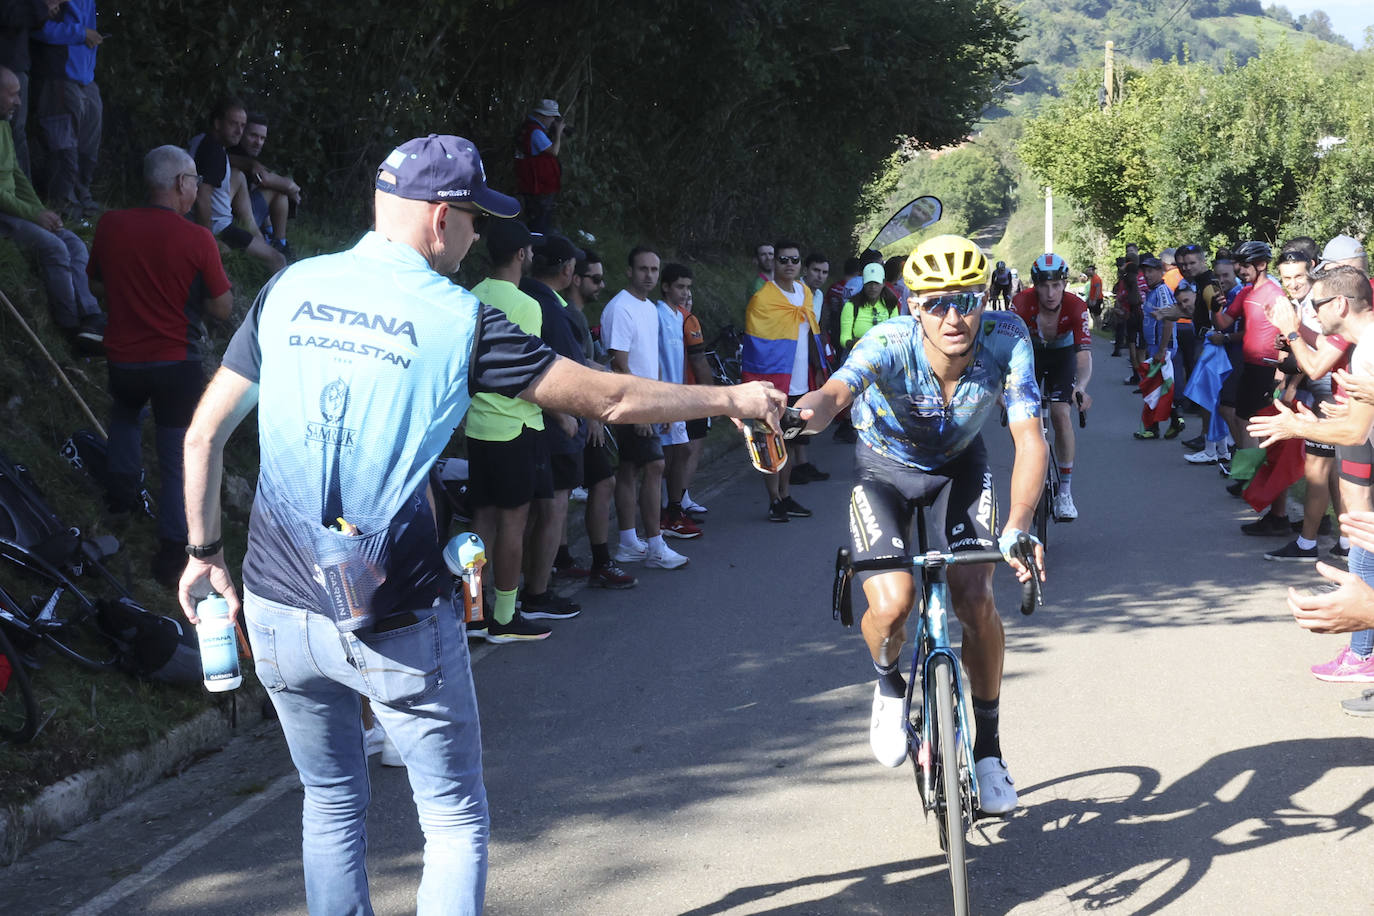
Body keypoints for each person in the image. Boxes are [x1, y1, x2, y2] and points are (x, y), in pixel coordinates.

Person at [176, 133, 786, 916]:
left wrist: (202, 555)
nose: (476, 239)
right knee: (454, 816)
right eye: (473, 220)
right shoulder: (459, 320)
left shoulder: (292, 285)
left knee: (329, 803)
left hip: (273, 601)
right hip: (389, 607)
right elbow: (611, 400)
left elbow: (203, 435)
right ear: (440, 220)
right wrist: (732, 399)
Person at [794, 234, 1047, 815]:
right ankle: (887, 684)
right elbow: (835, 393)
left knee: (976, 599)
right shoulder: (886, 341)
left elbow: (1029, 437)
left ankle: (988, 752)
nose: (953, 316)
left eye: (967, 299)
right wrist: (796, 417)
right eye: (936, 302)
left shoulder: (1008, 339)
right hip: (884, 471)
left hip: (960, 469)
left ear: (986, 297)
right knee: (891, 604)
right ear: (912, 303)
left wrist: (1019, 524)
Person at [88, 144, 231, 585]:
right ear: (177, 184)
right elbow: (223, 308)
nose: (195, 188)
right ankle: (172, 551)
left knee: (125, 419)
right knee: (176, 459)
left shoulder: (111, 225)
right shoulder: (196, 238)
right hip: (175, 364)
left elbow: (96, 282)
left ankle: (121, 497)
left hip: (124, 359)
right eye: (193, 180)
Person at [1248, 265, 1374, 699]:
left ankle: (1361, 655)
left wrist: (1297, 429)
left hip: (1359, 451)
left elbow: (1355, 433)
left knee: (1360, 534)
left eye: (1318, 304)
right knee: (1360, 534)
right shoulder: (1364, 344)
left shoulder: (1367, 348)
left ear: (1340, 304)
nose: (1313, 313)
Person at [466, 217, 563, 642]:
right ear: (522, 255)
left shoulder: (469, 297)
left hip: (478, 425)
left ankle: (472, 615)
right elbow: (532, 375)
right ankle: (504, 618)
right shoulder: (528, 305)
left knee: (480, 522)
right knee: (512, 524)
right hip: (516, 426)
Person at [0, 65, 101, 350]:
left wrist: (42, 211)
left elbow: (17, 175)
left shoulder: (3, 124)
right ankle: (70, 327)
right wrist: (33, 215)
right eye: (13, 95)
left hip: (17, 210)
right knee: (54, 248)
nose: (19, 102)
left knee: (75, 244)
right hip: (4, 215)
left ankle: (91, 316)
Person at [601, 245, 689, 569]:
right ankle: (655, 545)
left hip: (649, 402)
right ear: (629, 271)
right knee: (654, 466)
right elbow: (618, 364)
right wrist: (638, 409)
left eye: (654, 269)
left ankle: (627, 542)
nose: (649, 275)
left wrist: (662, 404)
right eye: (643, 269)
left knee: (630, 468)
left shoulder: (650, 308)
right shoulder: (620, 308)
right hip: (627, 402)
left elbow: (653, 361)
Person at [519, 232, 592, 616]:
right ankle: (536, 592)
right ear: (567, 270)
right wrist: (569, 415)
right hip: (554, 423)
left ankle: (522, 591)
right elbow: (562, 369)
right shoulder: (549, 307)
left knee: (534, 511)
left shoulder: (526, 296)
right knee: (552, 509)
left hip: (531, 422)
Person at [742, 240, 821, 522]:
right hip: (774, 381)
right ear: (773, 263)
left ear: (800, 264)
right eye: (783, 260)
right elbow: (756, 345)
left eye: (794, 260)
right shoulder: (763, 298)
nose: (789, 265)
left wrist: (819, 367)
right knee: (770, 442)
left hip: (800, 380)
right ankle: (774, 500)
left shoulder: (805, 292)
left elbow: (812, 332)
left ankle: (785, 496)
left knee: (787, 441)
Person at [1010, 253, 1093, 516]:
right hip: (1029, 355)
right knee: (1023, 417)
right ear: (1035, 286)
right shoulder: (1020, 303)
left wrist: (1080, 386)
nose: (1050, 292)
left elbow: (1083, 354)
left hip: (1062, 357)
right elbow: (1007, 349)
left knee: (1060, 412)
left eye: (1056, 285)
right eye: (1044, 286)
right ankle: (1029, 472)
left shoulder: (1077, 306)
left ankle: (1065, 493)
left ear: (1065, 284)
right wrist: (1005, 386)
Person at [188, 97, 286, 274]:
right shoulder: (214, 152)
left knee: (239, 178)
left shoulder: (201, 141)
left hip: (211, 225)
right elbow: (202, 198)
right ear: (217, 123)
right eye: (234, 124)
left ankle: (261, 240)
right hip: (220, 229)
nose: (239, 131)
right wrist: (208, 242)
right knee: (278, 260)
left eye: (242, 125)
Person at [29, 0, 99, 220]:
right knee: (63, 146)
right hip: (58, 76)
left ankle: (82, 197)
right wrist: (80, 33)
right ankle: (63, 205)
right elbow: (38, 28)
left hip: (86, 79)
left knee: (88, 145)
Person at [655, 262, 704, 539]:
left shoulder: (679, 316)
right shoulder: (658, 314)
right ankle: (668, 513)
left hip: (679, 396)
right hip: (664, 397)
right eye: (679, 287)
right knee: (670, 456)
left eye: (688, 287)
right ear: (666, 287)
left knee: (680, 452)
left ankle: (673, 510)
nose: (685, 292)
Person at [0, 0, 61, 178]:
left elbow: (27, 21)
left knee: (16, 132)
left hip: (17, 64)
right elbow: (8, 14)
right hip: (7, 65)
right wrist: (43, 7)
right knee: (14, 133)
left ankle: (21, 196)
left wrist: (44, 11)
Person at [228, 112, 300, 258]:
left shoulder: (245, 155)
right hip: (232, 219)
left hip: (239, 212)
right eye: (253, 136)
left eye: (262, 138)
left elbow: (265, 177)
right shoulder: (236, 153)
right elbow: (269, 180)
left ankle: (274, 239)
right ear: (242, 133)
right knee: (278, 191)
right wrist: (293, 188)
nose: (258, 142)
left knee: (273, 189)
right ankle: (280, 244)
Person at [512, 98, 564, 232]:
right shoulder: (535, 132)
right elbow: (554, 151)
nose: (553, 121)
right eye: (552, 117)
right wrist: (558, 134)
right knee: (540, 221)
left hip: (532, 182)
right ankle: (538, 247)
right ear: (543, 116)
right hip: (538, 185)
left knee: (536, 218)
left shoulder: (528, 127)